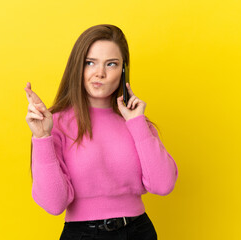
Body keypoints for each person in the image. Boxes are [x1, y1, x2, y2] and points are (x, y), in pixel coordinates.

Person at [24, 24, 178, 240]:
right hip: (82, 234)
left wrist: (138, 124)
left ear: (123, 70)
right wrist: (42, 138)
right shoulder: (54, 123)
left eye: (111, 64)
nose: (100, 73)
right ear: (77, 67)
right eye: (90, 63)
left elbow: (163, 185)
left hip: (138, 231)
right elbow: (54, 204)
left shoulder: (135, 121)